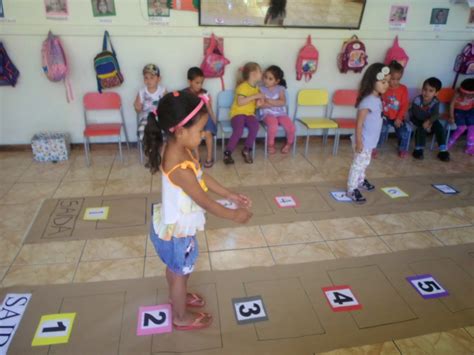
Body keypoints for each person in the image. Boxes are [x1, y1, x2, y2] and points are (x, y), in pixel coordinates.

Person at [143, 90, 253, 330]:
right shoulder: (178, 165)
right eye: (200, 130)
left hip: (176, 226)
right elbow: (205, 202)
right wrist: (235, 215)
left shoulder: (182, 147)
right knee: (180, 272)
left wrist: (230, 195)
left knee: (177, 270)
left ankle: (176, 295)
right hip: (177, 234)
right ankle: (180, 317)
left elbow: (202, 176)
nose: (204, 135)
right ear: (180, 131)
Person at [347, 63, 391, 204]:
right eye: (383, 82)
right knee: (358, 164)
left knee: (365, 163)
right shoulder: (367, 101)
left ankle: (360, 180)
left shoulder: (377, 98)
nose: (386, 85)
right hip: (363, 141)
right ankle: (352, 189)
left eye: (388, 82)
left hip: (370, 140)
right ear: (373, 81)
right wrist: (359, 142)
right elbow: (359, 124)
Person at [223, 62, 265, 165]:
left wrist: (259, 103)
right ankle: (227, 153)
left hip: (249, 114)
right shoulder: (242, 87)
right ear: (253, 74)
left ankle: (247, 149)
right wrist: (255, 96)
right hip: (238, 113)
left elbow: (255, 105)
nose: (261, 73)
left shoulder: (256, 88)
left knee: (255, 127)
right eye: (260, 71)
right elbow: (240, 102)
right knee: (239, 130)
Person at [375, 60, 410, 158]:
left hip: (398, 117)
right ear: (388, 76)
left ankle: (402, 149)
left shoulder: (403, 89)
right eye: (393, 79)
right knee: (382, 128)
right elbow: (377, 100)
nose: (395, 82)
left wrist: (399, 118)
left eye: (398, 79)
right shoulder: (383, 87)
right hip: (385, 116)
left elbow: (404, 105)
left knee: (404, 131)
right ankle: (375, 147)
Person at [410, 77, 450, 162]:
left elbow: (436, 114)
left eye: (431, 91)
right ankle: (418, 150)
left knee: (439, 127)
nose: (427, 93)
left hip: (429, 120)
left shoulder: (436, 101)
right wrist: (428, 122)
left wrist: (429, 121)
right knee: (421, 128)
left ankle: (443, 150)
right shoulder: (417, 100)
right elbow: (417, 114)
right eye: (425, 89)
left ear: (436, 93)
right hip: (417, 118)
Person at [185, 67, 218, 167]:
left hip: (205, 117)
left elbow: (209, 108)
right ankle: (197, 157)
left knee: (208, 133)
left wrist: (214, 118)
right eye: (197, 83)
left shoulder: (204, 92)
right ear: (189, 81)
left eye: (201, 83)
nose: (199, 85)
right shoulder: (184, 94)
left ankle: (209, 157)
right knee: (195, 132)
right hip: (193, 120)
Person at [259, 65, 295, 154]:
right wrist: (275, 102)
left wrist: (268, 100)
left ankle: (289, 143)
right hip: (267, 114)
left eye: (270, 79)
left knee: (291, 127)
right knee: (273, 124)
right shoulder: (260, 89)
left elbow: (283, 102)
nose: (266, 80)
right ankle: (270, 144)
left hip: (280, 113)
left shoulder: (280, 89)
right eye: (265, 77)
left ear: (277, 81)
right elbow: (261, 105)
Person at [134, 64, 166, 142]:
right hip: (146, 119)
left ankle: (161, 150)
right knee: (142, 132)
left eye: (152, 78)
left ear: (159, 79)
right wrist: (137, 107)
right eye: (146, 78)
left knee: (165, 133)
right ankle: (150, 150)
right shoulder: (141, 92)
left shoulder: (163, 91)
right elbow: (137, 110)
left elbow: (167, 106)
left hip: (160, 119)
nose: (149, 80)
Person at [447, 78, 474, 155]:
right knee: (462, 128)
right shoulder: (457, 94)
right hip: (458, 111)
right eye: (465, 94)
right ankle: (450, 142)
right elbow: (451, 105)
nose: (468, 96)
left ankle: (470, 147)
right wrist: (451, 116)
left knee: (472, 127)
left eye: (470, 95)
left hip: (470, 111)